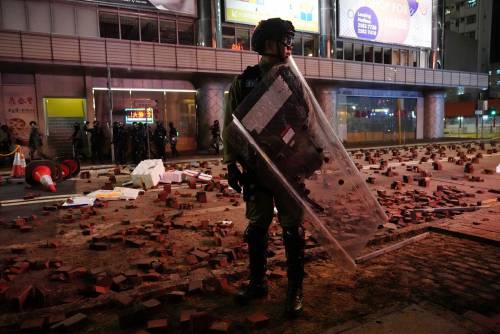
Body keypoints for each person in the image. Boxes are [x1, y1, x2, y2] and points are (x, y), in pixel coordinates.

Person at [223, 18, 305, 318]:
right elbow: (230, 126)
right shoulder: (243, 82)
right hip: (256, 168)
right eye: (285, 38)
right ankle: (258, 282)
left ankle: (295, 289)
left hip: (288, 167)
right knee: (256, 228)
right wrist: (231, 164)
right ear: (269, 44)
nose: (289, 44)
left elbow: (304, 122)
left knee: (292, 229)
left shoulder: (292, 80)